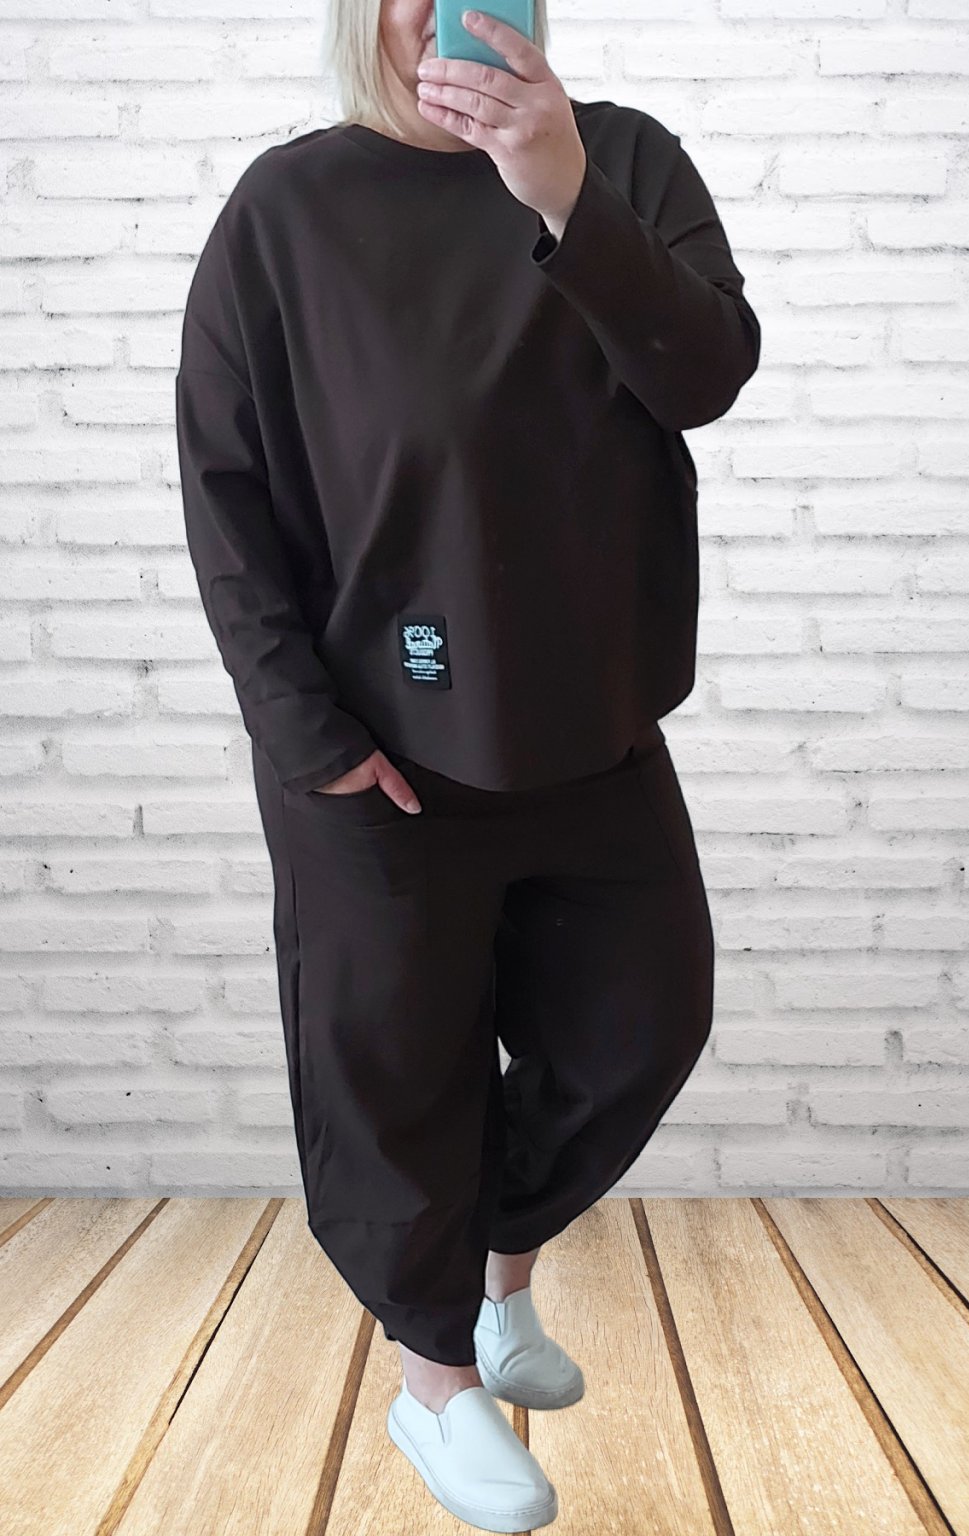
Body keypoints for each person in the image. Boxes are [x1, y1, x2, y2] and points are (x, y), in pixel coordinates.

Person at [174, 0, 761, 1528]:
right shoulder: (285, 212)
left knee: (641, 1021)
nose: (439, 6)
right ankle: (437, 1385)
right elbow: (226, 491)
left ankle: (499, 1283)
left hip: (591, 720)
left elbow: (706, 373)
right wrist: (308, 738)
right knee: (397, 1073)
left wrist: (562, 190)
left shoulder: (624, 160)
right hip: (375, 746)